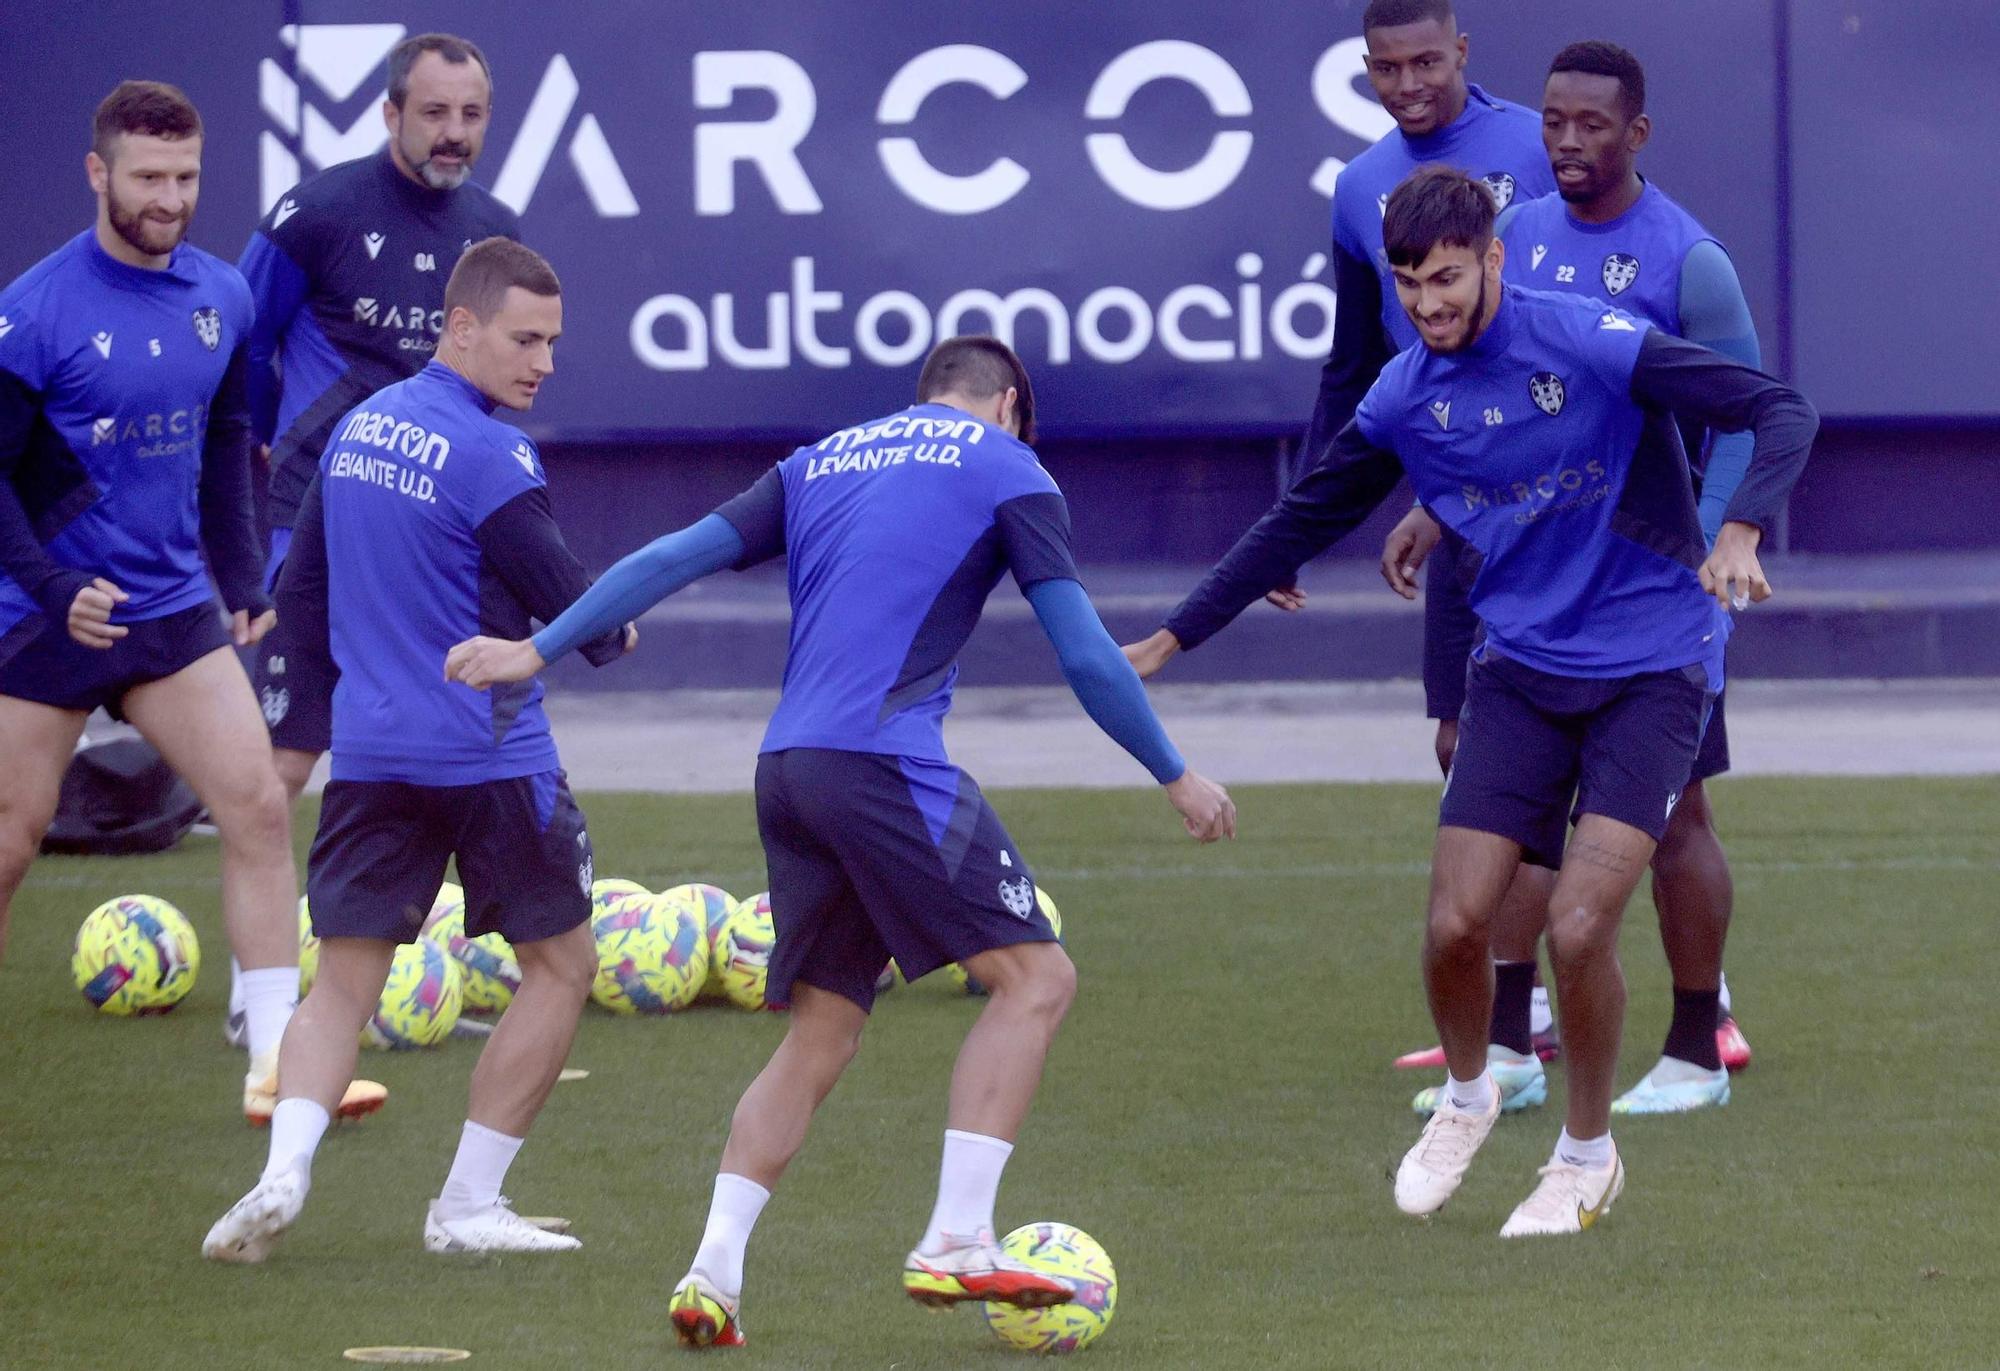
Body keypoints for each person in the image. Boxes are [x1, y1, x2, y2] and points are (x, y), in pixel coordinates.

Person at [445, 336, 1237, 1343]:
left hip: (787, 771)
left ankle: (712, 1274)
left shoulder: (820, 459)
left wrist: (536, 646)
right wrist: (1174, 771)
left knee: (822, 1030)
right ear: (1005, 405)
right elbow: (1081, 650)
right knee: (1035, 982)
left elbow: (665, 557)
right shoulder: (1010, 467)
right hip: (880, 764)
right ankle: (955, 1237)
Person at [1125, 167, 1815, 1236]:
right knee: (1454, 925)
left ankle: (1585, 1157)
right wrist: (1172, 637)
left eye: (1444, 279)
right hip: (1520, 673)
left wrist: (1740, 527)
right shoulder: (1407, 393)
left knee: (1579, 930)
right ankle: (1466, 1093)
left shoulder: (1586, 338)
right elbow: (1302, 515)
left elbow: (1775, 408)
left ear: (1492, 259)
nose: (1427, 305)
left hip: (1647, 668)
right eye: (1407, 287)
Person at [202, 239, 634, 1263]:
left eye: (554, 343)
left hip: (373, 757)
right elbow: (569, 603)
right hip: (490, 763)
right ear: (461, 327)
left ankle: (283, 1174)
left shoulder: (354, 433)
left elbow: (300, 589)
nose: (542, 363)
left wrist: (313, 721)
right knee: (562, 967)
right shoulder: (493, 454)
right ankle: (467, 1208)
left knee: (342, 985)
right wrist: (616, 630)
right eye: (525, 340)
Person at [1382, 41, 1761, 1118]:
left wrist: (1725, 535)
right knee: (1501, 790)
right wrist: (1432, 496)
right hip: (1525, 565)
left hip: (1649, 581)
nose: (1565, 143)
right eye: (1552, 122)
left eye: (1590, 127)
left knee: (1675, 814)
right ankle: (1508, 1037)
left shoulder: (1687, 259)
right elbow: (1487, 385)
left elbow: (1742, 407)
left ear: (1634, 134)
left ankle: (1698, 1041)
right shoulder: (1514, 236)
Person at [0, 81, 383, 1127]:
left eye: (185, 178)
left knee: (257, 805)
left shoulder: (222, 294)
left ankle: (274, 1069)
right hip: (41, 614)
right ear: (98, 174)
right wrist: (53, 586)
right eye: (148, 178)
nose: (169, 199)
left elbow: (223, 443)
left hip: (169, 607)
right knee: (10, 841)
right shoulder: (33, 313)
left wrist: (241, 572)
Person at [1282, 0, 1569, 1067]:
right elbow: (1351, 365)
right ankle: (1520, 1012)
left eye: (1423, 61)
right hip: (1462, 504)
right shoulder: (1361, 188)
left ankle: (1681, 980)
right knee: (1459, 741)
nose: (1405, 83)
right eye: (1383, 67)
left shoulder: (1529, 149)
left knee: (1602, 752)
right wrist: (1298, 525)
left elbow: (1569, 315)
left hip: (1562, 492)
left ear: (1461, 52)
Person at [225, 32, 520, 1049]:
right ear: (391, 114)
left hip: (435, 548)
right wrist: (262, 459)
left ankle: (390, 984)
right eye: (433, 112)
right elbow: (238, 343)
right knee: (289, 758)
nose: (453, 133)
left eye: (470, 114)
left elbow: (498, 391)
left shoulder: (495, 236)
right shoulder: (318, 213)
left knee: (431, 749)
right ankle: (253, 994)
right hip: (307, 528)